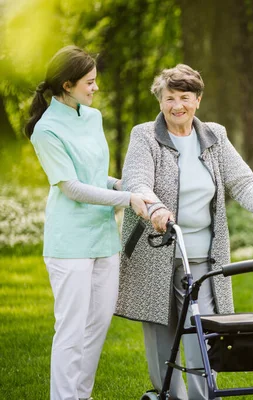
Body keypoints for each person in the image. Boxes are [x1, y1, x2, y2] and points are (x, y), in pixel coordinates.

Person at [115, 64, 253, 400]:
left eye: (185, 97)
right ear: (160, 101)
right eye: (170, 98)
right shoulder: (144, 135)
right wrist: (154, 207)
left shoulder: (214, 136)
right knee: (162, 337)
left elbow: (242, 179)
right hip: (156, 249)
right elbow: (137, 180)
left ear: (198, 100)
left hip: (204, 255)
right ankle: (170, 396)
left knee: (203, 331)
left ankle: (203, 397)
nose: (178, 105)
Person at [25, 45, 150, 400]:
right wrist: (128, 199)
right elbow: (73, 188)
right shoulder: (46, 131)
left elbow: (93, 177)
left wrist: (118, 184)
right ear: (67, 85)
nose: (95, 88)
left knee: (96, 328)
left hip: (103, 238)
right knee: (71, 330)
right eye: (89, 82)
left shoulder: (92, 117)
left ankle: (82, 395)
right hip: (70, 244)